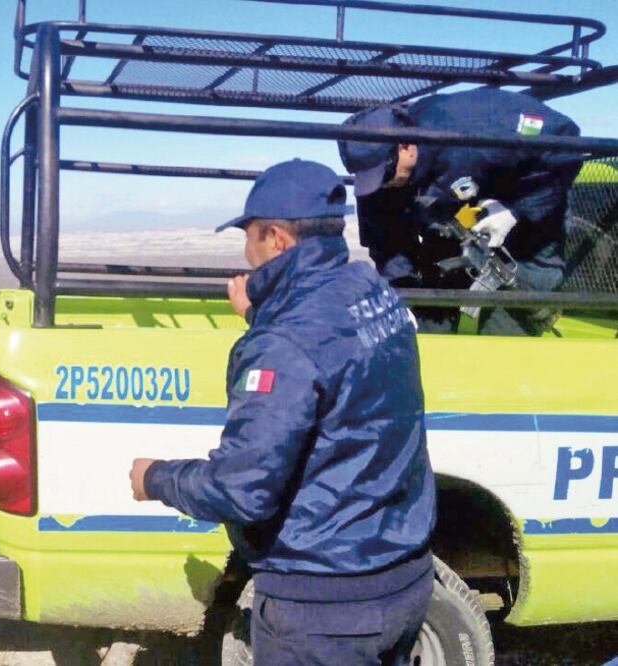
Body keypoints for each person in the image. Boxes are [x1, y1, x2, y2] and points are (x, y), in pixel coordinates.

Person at [129, 160, 436, 665]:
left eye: (249, 236)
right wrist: (261, 316)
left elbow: (242, 489)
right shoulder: (372, 290)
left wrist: (156, 479)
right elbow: (328, 352)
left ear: (275, 238)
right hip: (404, 578)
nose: (246, 253)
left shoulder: (283, 344)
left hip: (326, 607)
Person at [337, 87, 582, 335]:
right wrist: (404, 295)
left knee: (507, 323)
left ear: (406, 146)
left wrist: (516, 210)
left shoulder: (480, 127)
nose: (382, 184)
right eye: (370, 178)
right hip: (457, 225)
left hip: (527, 215)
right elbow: (386, 243)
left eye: (385, 174)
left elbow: (565, 145)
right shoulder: (377, 179)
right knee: (431, 318)